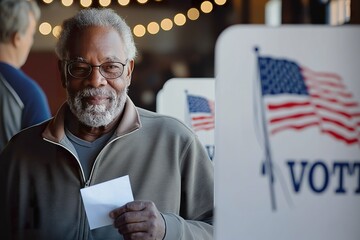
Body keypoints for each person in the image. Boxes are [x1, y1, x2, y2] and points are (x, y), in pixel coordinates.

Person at [0, 7, 214, 240]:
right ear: (63, 72)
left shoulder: (175, 142)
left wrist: (168, 229)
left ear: (129, 71)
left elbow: (223, 230)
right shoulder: (21, 152)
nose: (96, 80)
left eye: (111, 67)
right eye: (80, 68)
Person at [0, 0, 51, 152]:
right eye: (31, 35)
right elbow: (44, 158)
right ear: (17, 38)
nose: (31, 42)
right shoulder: (28, 93)